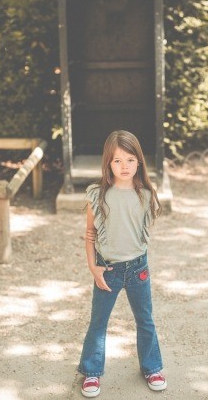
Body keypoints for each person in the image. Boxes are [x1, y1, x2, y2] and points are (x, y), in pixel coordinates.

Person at [77, 130, 167, 398]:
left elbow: (139, 232)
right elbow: (90, 233)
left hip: (139, 269)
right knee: (98, 322)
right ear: (108, 163)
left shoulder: (146, 194)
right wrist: (92, 267)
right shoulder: (97, 194)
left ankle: (152, 367)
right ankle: (91, 371)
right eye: (117, 160)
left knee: (145, 320)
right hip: (108, 269)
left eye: (130, 160)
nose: (124, 166)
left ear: (139, 161)